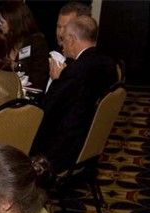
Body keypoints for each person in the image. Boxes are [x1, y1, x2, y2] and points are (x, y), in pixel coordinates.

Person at [33, 15, 117, 173]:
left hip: (63, 150)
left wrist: (56, 80)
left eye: (63, 39)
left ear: (72, 39)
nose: (62, 45)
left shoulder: (75, 72)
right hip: (90, 143)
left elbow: (47, 109)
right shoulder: (109, 65)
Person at [0, 0, 48, 91]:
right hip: (5, 91)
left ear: (13, 23)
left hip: (29, 94)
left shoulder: (37, 43)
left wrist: (14, 66)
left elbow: (38, 79)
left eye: (2, 21)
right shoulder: (4, 41)